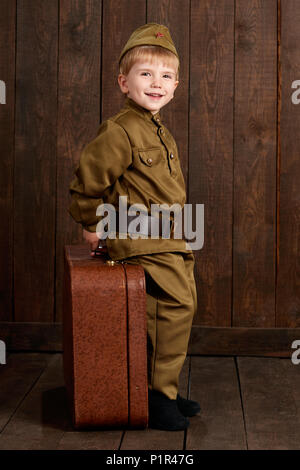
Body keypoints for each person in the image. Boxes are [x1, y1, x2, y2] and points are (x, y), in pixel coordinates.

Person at [68, 23, 200, 431]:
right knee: (173, 309)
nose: (156, 83)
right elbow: (89, 181)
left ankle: (165, 389)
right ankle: (158, 396)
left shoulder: (160, 130)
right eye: (146, 74)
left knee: (174, 308)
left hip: (170, 237)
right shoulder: (120, 129)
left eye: (165, 76)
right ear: (124, 83)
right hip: (140, 237)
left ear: (176, 85)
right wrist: (92, 226)